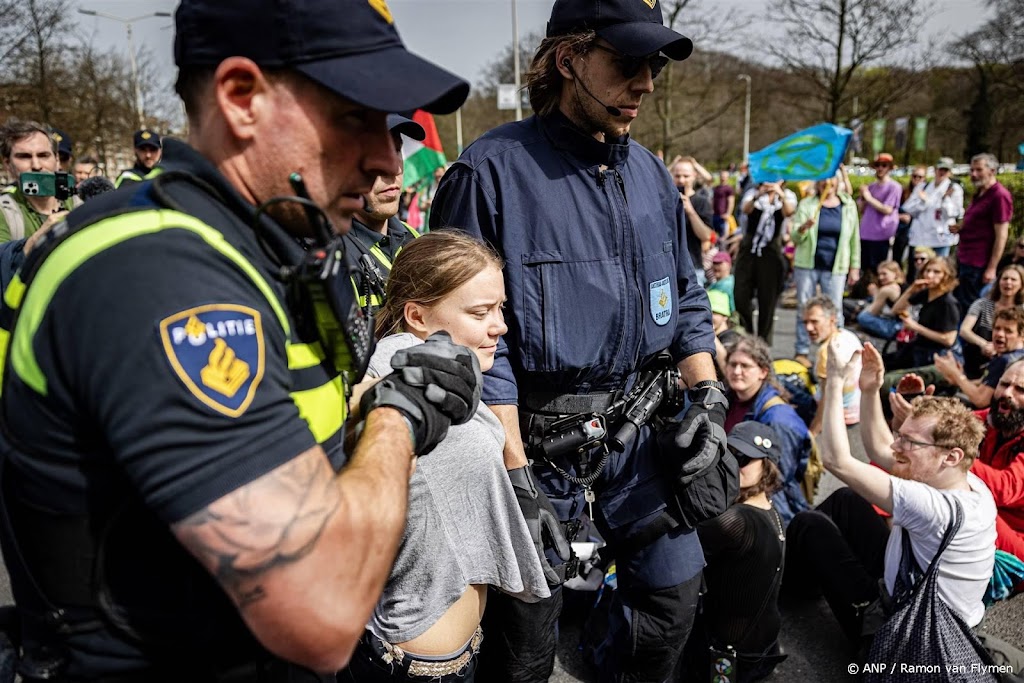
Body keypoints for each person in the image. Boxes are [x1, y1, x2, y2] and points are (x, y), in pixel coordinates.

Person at [0, 2, 476, 681]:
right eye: (354, 116)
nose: (384, 158)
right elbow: (323, 611)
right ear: (241, 97)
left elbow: (310, 431)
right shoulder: (161, 275)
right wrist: (402, 411)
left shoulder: (281, 245)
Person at [429, 0, 728, 679]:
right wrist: (513, 474)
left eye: (653, 66)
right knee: (525, 642)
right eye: (628, 63)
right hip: (533, 448)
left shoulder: (652, 174)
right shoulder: (491, 173)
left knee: (672, 602)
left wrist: (708, 395)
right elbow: (475, 343)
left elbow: (685, 293)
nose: (646, 83)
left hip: (644, 434)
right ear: (568, 60)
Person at [342, 232, 550, 682]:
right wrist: (373, 400)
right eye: (479, 312)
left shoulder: (450, 377)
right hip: (410, 667)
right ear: (416, 315)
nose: (500, 326)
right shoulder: (400, 374)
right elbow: (357, 414)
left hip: (455, 653)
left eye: (500, 308)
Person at [786, 339, 995, 646]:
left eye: (910, 441)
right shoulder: (968, 482)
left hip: (908, 638)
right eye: (901, 435)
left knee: (809, 525)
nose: (896, 446)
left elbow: (835, 459)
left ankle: (773, 591)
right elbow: (881, 449)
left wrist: (833, 380)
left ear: (950, 456)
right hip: (919, 599)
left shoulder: (931, 507)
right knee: (847, 500)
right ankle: (801, 578)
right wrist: (870, 390)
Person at [680, 421, 788, 683]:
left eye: (744, 458)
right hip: (762, 647)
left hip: (727, 656)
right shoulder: (770, 510)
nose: (733, 463)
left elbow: (678, 546)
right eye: (728, 454)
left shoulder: (736, 520)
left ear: (767, 466)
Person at [724, 336, 812, 524]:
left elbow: (777, 479)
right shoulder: (727, 400)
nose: (736, 371)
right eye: (732, 364)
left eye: (745, 366)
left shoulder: (779, 420)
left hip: (772, 508)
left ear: (763, 372)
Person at [345, 113, 424, 314]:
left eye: (397, 149)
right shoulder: (334, 255)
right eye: (376, 154)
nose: (394, 168)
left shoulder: (413, 239)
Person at [791, 176, 861, 367]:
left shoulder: (848, 206)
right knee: (804, 308)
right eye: (822, 179)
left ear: (837, 182)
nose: (827, 183)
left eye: (831, 179)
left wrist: (855, 266)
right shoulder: (807, 204)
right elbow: (795, 237)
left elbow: (854, 238)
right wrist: (804, 228)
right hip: (808, 264)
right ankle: (802, 351)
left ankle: (836, 349)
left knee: (835, 309)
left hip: (836, 266)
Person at [970, 359, 1024, 562]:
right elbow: (954, 421)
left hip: (1017, 545)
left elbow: (1005, 488)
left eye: (1020, 389)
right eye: (1004, 384)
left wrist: (949, 453)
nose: (1007, 393)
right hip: (988, 517)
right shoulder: (992, 420)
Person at [952, 153, 1014, 314]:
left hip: (978, 262)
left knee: (970, 307)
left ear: (992, 170)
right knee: (960, 301)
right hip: (965, 257)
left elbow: (1001, 234)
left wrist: (992, 267)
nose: (973, 174)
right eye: (972, 170)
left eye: (979, 170)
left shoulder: (999, 195)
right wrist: (961, 228)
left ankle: (966, 338)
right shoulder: (980, 192)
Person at [735, 180, 796, 342]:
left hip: (771, 250)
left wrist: (779, 194)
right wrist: (759, 194)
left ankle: (763, 340)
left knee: (767, 299)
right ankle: (745, 334)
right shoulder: (753, 193)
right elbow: (745, 209)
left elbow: (789, 212)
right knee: (741, 295)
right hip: (749, 249)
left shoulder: (787, 196)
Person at [0, 119, 79, 244]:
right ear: (7, 164)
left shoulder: (80, 204)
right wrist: (37, 241)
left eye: (43, 155)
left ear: (57, 159)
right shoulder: (4, 212)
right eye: (24, 156)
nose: (36, 165)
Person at [934, 308, 1024, 409]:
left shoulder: (1006, 360)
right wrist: (958, 379)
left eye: (1008, 331)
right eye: (997, 328)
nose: (1000, 334)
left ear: (1022, 335)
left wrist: (955, 373)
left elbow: (980, 400)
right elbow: (984, 384)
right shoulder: (1015, 355)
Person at [886, 255, 961, 370]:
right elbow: (896, 310)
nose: (930, 275)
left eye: (936, 272)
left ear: (946, 276)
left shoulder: (948, 303)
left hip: (936, 354)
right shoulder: (927, 293)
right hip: (920, 346)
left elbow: (948, 339)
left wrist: (915, 327)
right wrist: (912, 289)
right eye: (928, 270)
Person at [958, 264, 1024, 378]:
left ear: (1021, 285)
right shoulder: (982, 304)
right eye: (1005, 278)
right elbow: (964, 330)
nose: (1008, 283)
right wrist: (984, 344)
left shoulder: (1022, 310)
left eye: (1013, 280)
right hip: (976, 362)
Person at [901, 157, 962, 270]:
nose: (942, 172)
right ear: (935, 170)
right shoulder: (923, 186)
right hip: (921, 238)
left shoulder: (954, 189)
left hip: (940, 239)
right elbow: (908, 207)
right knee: (919, 271)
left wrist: (945, 199)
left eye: (946, 170)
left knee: (939, 270)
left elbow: (954, 213)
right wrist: (924, 202)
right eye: (940, 169)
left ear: (950, 172)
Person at [857, 153, 903, 274]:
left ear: (889, 168)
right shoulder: (871, 187)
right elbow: (862, 209)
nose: (880, 168)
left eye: (884, 165)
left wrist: (868, 197)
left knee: (878, 270)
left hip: (880, 235)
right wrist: (862, 197)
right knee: (864, 269)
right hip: (865, 234)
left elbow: (887, 209)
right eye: (877, 165)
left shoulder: (894, 187)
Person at [672, 157, 714, 287]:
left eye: (686, 176)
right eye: (677, 176)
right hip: (670, 265)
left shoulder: (701, 201)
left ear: (694, 176)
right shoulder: (666, 200)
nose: (681, 180)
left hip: (693, 266)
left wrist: (690, 210)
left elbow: (706, 235)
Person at [855, 259, 905, 341]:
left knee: (863, 317)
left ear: (895, 274)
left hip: (895, 327)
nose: (881, 277)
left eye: (884, 274)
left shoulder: (886, 290)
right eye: (879, 274)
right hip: (900, 324)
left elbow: (873, 312)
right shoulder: (901, 286)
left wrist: (875, 294)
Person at [894, 165, 928, 271]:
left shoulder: (927, 192)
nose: (917, 179)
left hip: (918, 231)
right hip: (903, 229)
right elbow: (894, 209)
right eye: (915, 176)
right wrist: (899, 216)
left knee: (913, 259)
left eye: (920, 177)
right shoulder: (904, 192)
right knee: (897, 256)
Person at [712, 169, 736, 236]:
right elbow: (713, 200)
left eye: (725, 176)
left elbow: (731, 202)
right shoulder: (716, 188)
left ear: (727, 178)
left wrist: (728, 214)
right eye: (722, 176)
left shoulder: (729, 188)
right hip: (715, 215)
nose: (723, 178)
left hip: (723, 216)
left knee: (724, 235)